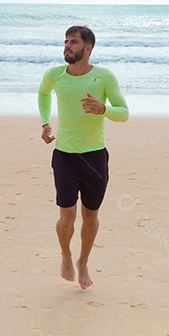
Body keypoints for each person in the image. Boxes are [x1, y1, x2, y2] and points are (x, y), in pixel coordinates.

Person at [38, 25, 129, 289]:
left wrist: (103, 109)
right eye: (66, 41)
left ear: (88, 48)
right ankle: (66, 254)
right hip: (65, 156)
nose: (67, 46)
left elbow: (123, 112)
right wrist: (45, 123)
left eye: (74, 42)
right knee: (67, 217)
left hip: (95, 158)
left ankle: (83, 261)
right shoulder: (54, 75)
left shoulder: (104, 77)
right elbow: (43, 93)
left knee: (91, 216)